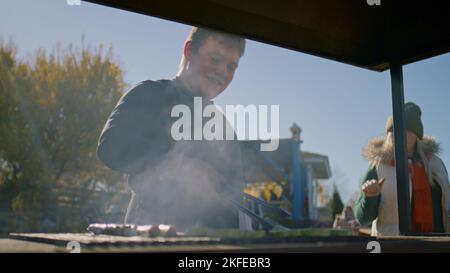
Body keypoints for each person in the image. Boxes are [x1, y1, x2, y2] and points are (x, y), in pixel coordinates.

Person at [96, 27, 246, 230]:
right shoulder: (149, 94)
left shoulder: (223, 127)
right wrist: (175, 164)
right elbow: (110, 146)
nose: (222, 72)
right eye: (215, 59)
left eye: (231, 67)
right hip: (148, 235)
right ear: (189, 50)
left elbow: (233, 195)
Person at [354, 102, 450, 236]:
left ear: (417, 135)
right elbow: (363, 219)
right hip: (394, 246)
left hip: (438, 245)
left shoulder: (435, 164)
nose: (400, 134)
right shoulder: (378, 166)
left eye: (408, 130)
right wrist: (369, 197)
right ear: (388, 133)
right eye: (395, 129)